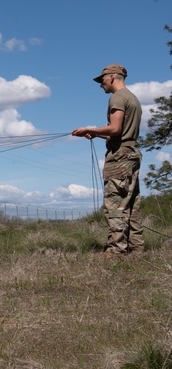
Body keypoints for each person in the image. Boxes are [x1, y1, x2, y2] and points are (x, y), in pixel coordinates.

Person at [71, 63, 143, 255]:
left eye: (102, 79)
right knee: (130, 202)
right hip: (131, 153)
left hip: (119, 156)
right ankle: (136, 249)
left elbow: (115, 129)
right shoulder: (132, 98)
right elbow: (120, 132)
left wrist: (90, 129)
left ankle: (116, 251)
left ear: (112, 77)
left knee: (115, 203)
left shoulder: (117, 98)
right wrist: (97, 135)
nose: (100, 83)